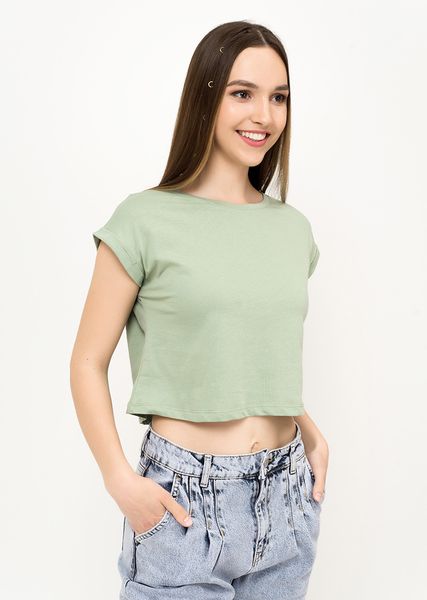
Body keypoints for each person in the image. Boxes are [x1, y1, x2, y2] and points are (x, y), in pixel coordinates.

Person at [70, 20, 329, 599]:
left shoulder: (292, 230)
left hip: (287, 494)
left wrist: (309, 431)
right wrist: (120, 480)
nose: (264, 115)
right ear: (205, 96)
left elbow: (249, 349)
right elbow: (87, 361)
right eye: (243, 93)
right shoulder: (143, 219)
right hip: (183, 503)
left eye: (278, 97)